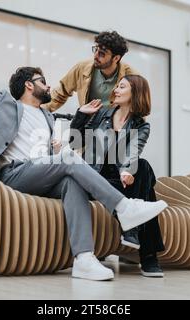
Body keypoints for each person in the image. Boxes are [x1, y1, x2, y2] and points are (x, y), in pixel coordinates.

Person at [0, 48, 168, 281]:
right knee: (68, 162)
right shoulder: (1, 103)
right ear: (29, 86)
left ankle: (84, 259)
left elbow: (71, 145)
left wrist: (60, 144)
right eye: (43, 81)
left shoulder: (47, 116)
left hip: (40, 175)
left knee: (71, 181)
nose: (49, 86)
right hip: (12, 174)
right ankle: (124, 207)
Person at [69, 75, 166, 277]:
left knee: (143, 167)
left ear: (135, 93)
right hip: (94, 176)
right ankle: (148, 254)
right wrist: (81, 114)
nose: (116, 90)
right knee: (146, 177)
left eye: (122, 87)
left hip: (121, 179)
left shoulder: (141, 125)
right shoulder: (102, 114)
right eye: (117, 87)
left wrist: (126, 170)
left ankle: (133, 233)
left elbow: (133, 151)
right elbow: (75, 143)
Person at [43, 30, 137, 112]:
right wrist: (39, 112)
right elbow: (60, 93)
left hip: (115, 129)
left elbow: (139, 108)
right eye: (96, 49)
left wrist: (132, 132)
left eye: (102, 53)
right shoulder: (81, 68)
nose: (95, 56)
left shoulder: (132, 76)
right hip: (88, 126)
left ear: (116, 58)